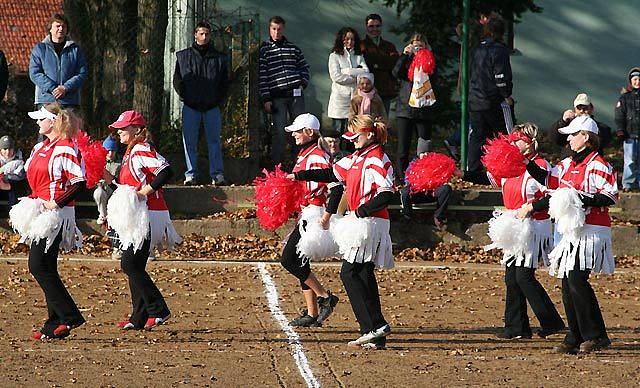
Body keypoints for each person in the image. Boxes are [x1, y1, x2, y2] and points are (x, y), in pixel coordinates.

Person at [294, 115, 395, 349]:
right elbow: (331, 174)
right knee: (362, 274)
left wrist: (361, 211)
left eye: (356, 135)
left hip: (371, 222)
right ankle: (375, 331)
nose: (352, 141)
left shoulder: (376, 157)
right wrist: (298, 176)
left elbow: (387, 192)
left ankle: (373, 325)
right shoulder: (358, 156)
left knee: (350, 273)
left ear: (369, 134)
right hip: (363, 220)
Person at [458, 123, 565, 340]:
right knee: (511, 278)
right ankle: (516, 328)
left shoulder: (541, 164)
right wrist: (462, 174)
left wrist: (532, 207)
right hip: (513, 225)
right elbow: (488, 179)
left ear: (530, 143)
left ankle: (551, 322)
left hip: (534, 226)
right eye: (513, 140)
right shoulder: (509, 165)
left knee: (524, 277)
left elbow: (554, 194)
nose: (514, 143)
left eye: (519, 140)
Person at [523, 115, 617, 354]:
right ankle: (575, 335)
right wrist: (524, 161)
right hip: (568, 231)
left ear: (585, 137)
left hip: (591, 230)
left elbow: (610, 196)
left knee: (576, 279)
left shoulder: (599, 164)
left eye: (573, 134)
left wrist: (580, 197)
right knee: (567, 283)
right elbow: (549, 183)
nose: (569, 139)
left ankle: (596, 335)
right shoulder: (566, 164)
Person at [106, 110, 180, 331]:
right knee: (134, 265)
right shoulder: (130, 152)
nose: (119, 132)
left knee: (129, 263)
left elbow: (166, 171)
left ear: (137, 130)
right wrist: (108, 180)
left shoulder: (140, 148)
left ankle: (158, 309)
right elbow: (128, 190)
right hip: (140, 214)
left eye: (123, 128)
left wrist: (145, 192)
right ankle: (139, 316)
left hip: (150, 214)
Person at [23, 103, 86, 340]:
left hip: (55, 215)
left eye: (41, 120)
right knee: (46, 266)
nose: (38, 123)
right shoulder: (42, 147)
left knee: (38, 265)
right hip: (42, 210)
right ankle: (56, 322)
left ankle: (69, 315)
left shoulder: (65, 148)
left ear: (53, 122)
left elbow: (79, 182)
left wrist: (56, 203)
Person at [278, 113, 340, 327]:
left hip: (315, 211)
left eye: (297, 130)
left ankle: (325, 297)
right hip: (307, 211)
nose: (294, 134)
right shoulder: (307, 153)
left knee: (289, 259)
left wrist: (327, 215)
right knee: (300, 261)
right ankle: (312, 313)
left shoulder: (316, 155)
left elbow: (333, 183)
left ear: (309, 132)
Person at [173, 21, 230, 186]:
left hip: (212, 106)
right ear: (195, 35)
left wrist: (218, 99)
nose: (204, 37)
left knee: (214, 141)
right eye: (201, 33)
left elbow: (224, 82)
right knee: (189, 142)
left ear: (210, 35)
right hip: (191, 106)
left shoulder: (219, 58)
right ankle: (190, 174)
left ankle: (217, 174)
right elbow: (177, 79)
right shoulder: (183, 56)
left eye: (207, 34)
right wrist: (185, 96)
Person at [259, 16, 310, 166]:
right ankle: (277, 167)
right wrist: (266, 98)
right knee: (279, 132)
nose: (276, 32)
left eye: (279, 29)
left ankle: (299, 164)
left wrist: (302, 83)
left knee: (300, 129)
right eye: (274, 29)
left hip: (296, 94)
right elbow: (263, 76)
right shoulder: (265, 50)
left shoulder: (293, 48)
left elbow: (304, 67)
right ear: (269, 29)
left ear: (283, 29)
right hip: (277, 96)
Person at [467, 15, 513, 172]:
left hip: (475, 99)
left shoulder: (477, 48)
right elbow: (501, 75)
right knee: (502, 135)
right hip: (493, 100)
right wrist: (506, 94)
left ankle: (473, 170)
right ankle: (501, 168)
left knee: (477, 136)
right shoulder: (499, 49)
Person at [392, 34, 436, 176]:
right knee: (402, 148)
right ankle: (401, 176)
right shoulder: (407, 60)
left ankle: (423, 175)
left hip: (424, 110)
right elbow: (396, 73)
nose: (417, 49)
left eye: (420, 46)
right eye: (415, 45)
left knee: (424, 147)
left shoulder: (430, 60)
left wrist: (425, 57)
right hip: (405, 109)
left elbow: (435, 78)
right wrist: (405, 55)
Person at [28, 14, 87, 108]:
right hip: (46, 101)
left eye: (63, 26)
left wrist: (65, 88)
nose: (61, 29)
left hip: (70, 101)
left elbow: (82, 73)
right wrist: (53, 88)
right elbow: (34, 73)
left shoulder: (75, 50)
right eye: (58, 26)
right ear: (50, 29)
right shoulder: (40, 49)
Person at [328, 27, 369, 134]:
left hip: (355, 98)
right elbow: (336, 77)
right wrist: (355, 76)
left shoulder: (359, 56)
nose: (350, 42)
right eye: (347, 39)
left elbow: (366, 72)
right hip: (340, 100)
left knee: (353, 132)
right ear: (341, 40)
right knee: (338, 132)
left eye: (352, 39)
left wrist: (347, 71)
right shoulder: (334, 56)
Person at [549, 93, 612, 158]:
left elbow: (604, 142)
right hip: (569, 162)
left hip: (589, 162)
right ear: (574, 109)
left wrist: (590, 128)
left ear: (592, 108)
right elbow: (555, 139)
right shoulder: (567, 124)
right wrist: (563, 121)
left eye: (585, 108)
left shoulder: (601, 128)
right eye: (579, 108)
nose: (582, 111)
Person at [360, 14, 399, 114]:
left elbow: (394, 63)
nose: (374, 29)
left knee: (382, 123)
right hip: (366, 91)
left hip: (384, 90)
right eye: (371, 26)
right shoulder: (361, 45)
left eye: (377, 26)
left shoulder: (389, 46)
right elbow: (363, 66)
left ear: (381, 27)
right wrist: (384, 62)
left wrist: (376, 64)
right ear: (366, 27)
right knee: (366, 123)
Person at [400, 155, 452, 229]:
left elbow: (441, 179)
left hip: (431, 193)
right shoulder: (413, 164)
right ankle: (407, 216)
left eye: (427, 152)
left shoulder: (435, 164)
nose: (425, 155)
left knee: (446, 189)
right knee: (405, 191)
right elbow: (407, 180)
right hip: (416, 193)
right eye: (423, 153)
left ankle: (439, 217)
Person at [614, 67, 640, 191]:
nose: (637, 81)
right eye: (635, 79)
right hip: (629, 135)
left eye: (639, 79)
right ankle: (628, 184)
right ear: (631, 81)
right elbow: (619, 115)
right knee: (629, 160)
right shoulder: (624, 98)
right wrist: (620, 130)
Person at [93, 135, 120, 226]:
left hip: (114, 191)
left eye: (113, 151)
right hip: (102, 193)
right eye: (108, 150)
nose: (110, 153)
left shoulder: (120, 164)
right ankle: (102, 214)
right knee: (98, 192)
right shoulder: (98, 163)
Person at [0, 135, 25, 206]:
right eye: (4, 149)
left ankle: (13, 207)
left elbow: (20, 176)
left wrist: (7, 183)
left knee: (18, 184)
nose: (7, 152)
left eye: (10, 149)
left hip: (13, 186)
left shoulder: (19, 157)